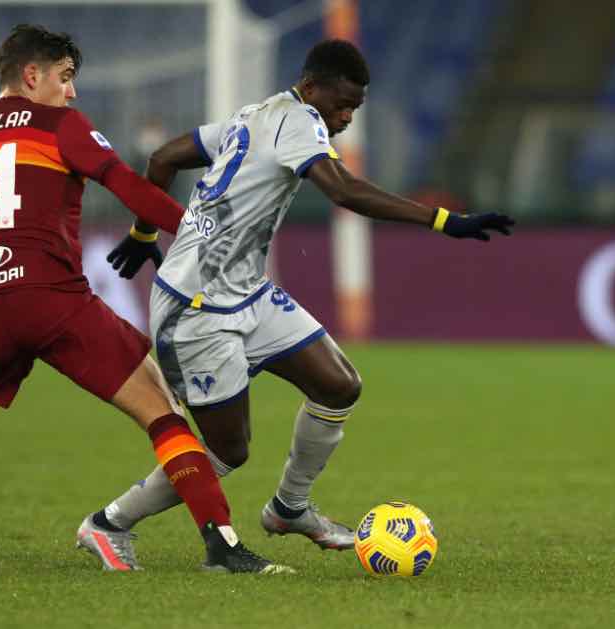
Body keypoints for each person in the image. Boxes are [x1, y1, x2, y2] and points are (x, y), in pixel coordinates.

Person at [80, 39, 514, 568]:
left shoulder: (255, 116)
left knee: (338, 384)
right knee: (226, 452)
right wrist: (442, 219)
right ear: (311, 89)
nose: (346, 116)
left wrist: (145, 233)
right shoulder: (300, 120)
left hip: (247, 291)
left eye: (355, 107)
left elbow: (164, 158)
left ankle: (289, 507)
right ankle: (108, 523)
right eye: (340, 104)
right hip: (195, 307)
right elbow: (343, 191)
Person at [0, 24, 291, 574]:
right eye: (65, 77)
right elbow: (129, 185)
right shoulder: (60, 126)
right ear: (33, 76)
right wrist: (197, 231)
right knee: (161, 411)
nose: (71, 91)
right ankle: (222, 546)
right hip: (53, 301)